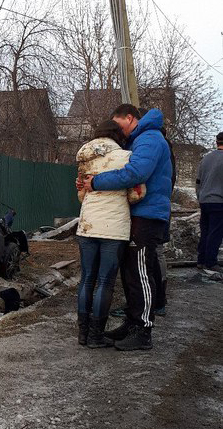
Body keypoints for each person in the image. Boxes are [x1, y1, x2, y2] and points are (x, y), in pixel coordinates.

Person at [82, 105, 172, 351]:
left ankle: (143, 331)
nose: (116, 129)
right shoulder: (139, 140)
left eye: (117, 123)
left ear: (129, 118)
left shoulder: (149, 139)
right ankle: (132, 323)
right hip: (139, 214)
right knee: (131, 272)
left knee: (141, 271)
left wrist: (97, 181)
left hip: (148, 215)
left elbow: (136, 172)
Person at [76, 120, 145, 349]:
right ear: (118, 136)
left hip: (88, 225)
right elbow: (137, 193)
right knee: (105, 282)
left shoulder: (86, 160)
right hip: (114, 229)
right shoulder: (127, 157)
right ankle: (96, 336)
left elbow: (81, 195)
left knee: (87, 279)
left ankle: (83, 334)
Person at [196, 132, 223, 273]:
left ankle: (201, 260)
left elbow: (198, 181)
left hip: (204, 200)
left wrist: (200, 196)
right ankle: (211, 262)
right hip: (219, 201)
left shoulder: (206, 159)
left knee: (205, 231)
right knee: (216, 232)